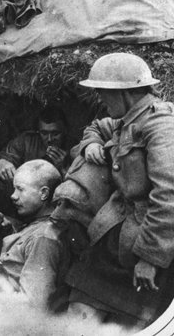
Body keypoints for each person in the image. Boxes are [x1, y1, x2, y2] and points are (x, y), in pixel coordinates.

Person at [64, 53, 174, 329]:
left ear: (124, 92)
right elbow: (98, 127)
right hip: (115, 236)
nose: (101, 99)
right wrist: (90, 143)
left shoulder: (161, 127)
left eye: (104, 92)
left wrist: (150, 258)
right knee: (78, 309)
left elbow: (169, 195)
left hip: (146, 244)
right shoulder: (128, 118)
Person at [0, 160, 70, 312]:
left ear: (44, 193)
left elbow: (31, 306)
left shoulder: (44, 239)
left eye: (20, 189)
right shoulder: (43, 225)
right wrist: (10, 229)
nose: (13, 196)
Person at [0, 107, 69, 215]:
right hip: (20, 206)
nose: (49, 139)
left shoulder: (73, 148)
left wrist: (63, 168)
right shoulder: (26, 141)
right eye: (44, 133)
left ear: (65, 131)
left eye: (55, 133)